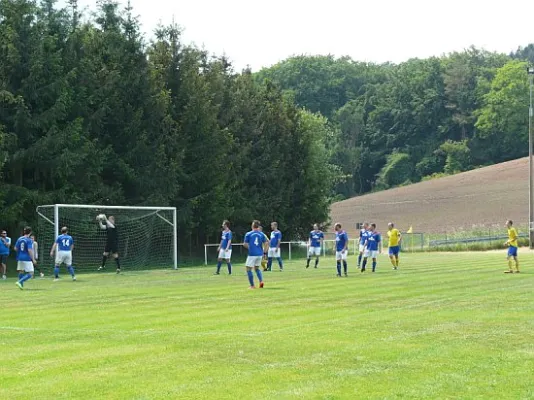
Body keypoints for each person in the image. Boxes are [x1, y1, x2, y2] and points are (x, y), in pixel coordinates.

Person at [243, 220, 269, 289]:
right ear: (258, 226)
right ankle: (261, 281)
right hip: (260, 254)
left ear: (252, 226)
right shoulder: (261, 234)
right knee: (257, 268)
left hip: (252, 254)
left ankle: (252, 285)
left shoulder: (248, 234)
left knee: (248, 269)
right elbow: (266, 243)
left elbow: (245, 244)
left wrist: (250, 248)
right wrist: (264, 252)